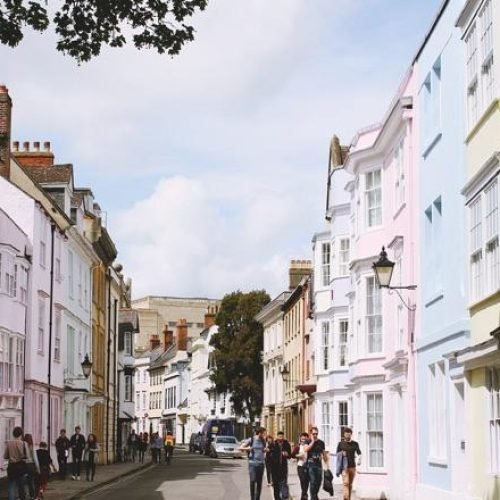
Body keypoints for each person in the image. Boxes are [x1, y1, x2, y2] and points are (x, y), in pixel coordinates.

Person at [240, 427, 267, 500]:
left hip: (261, 464)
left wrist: (265, 450)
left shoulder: (263, 441)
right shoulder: (251, 439)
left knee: (259, 482)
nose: (265, 435)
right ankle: (252, 498)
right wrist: (248, 449)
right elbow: (241, 448)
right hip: (252, 464)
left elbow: (264, 449)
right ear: (260, 433)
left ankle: (257, 498)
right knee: (252, 480)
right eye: (264, 433)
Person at [304, 427, 329, 500]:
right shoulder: (307, 441)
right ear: (311, 434)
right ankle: (313, 497)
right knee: (313, 481)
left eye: (316, 434)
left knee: (319, 481)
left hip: (318, 464)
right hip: (311, 464)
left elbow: (324, 454)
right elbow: (306, 449)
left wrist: (327, 465)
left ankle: (315, 495)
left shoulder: (321, 442)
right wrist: (313, 442)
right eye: (313, 434)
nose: (315, 435)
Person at [336, 427, 362, 500]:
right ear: (344, 434)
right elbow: (337, 455)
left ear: (351, 434)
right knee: (346, 483)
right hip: (344, 467)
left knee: (350, 484)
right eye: (346, 433)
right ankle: (345, 498)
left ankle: (348, 498)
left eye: (349, 433)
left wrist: (359, 460)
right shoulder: (340, 444)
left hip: (352, 467)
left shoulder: (355, 444)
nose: (347, 434)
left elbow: (359, 453)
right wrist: (341, 453)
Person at [3, 426, 27, 500]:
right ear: (21, 434)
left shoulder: (9, 443)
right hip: (20, 466)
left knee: (11, 486)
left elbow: (5, 456)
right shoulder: (23, 443)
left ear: (13, 434)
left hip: (11, 466)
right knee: (21, 486)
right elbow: (27, 456)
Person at [269, 431, 291, 500]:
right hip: (274, 468)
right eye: (279, 436)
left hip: (283, 467)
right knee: (276, 485)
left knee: (283, 483)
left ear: (283, 437)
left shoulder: (286, 444)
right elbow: (268, 454)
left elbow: (289, 455)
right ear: (277, 436)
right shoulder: (273, 444)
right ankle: (277, 498)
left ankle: (284, 497)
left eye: (282, 436)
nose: (281, 438)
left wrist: (287, 454)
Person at [292, 432, 310, 500]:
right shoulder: (298, 447)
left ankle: (303, 496)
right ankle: (305, 496)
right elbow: (292, 455)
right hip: (300, 466)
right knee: (302, 481)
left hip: (308, 466)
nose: (303, 441)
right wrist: (298, 456)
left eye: (305, 439)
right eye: (302, 439)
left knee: (307, 482)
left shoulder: (309, 446)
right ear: (300, 439)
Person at [23, 433, 40, 500]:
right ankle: (32, 496)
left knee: (24, 482)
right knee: (31, 481)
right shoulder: (31, 447)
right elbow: (35, 459)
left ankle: (25, 495)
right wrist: (38, 468)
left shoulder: (22, 446)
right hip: (31, 465)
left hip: (24, 465)